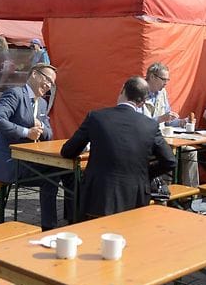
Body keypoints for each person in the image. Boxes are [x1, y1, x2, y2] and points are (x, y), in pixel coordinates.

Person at [60, 77, 176, 219]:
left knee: (95, 236)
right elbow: (170, 160)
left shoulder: (96, 117)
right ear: (142, 102)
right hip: (136, 197)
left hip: (99, 196)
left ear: (122, 90)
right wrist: (146, 173)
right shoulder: (150, 125)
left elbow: (68, 151)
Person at [0, 63, 64, 229]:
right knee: (53, 174)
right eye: (48, 80)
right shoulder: (15, 94)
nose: (49, 85)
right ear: (35, 75)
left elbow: (50, 134)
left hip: (29, 161)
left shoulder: (42, 104)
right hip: (9, 162)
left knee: (64, 171)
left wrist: (41, 128)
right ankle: (49, 227)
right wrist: (25, 132)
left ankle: (62, 222)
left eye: (52, 83)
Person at [141, 62, 198, 186]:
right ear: (152, 77)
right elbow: (138, 124)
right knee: (168, 156)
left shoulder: (162, 93)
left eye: (167, 79)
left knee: (190, 151)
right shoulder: (139, 92)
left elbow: (168, 120)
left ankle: (191, 194)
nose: (166, 83)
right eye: (163, 79)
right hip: (146, 141)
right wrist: (160, 119)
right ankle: (164, 191)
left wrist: (182, 122)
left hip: (163, 138)